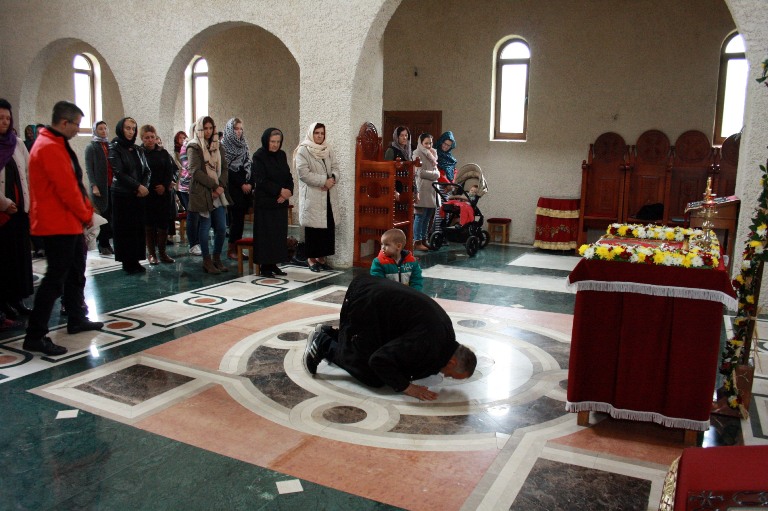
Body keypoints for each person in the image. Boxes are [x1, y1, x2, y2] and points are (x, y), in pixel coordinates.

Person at [303, 274, 477, 401]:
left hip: (375, 297)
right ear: (452, 362)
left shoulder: (446, 339)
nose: (446, 377)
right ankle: (323, 343)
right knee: (370, 373)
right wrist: (407, 387)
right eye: (452, 375)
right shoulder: (427, 343)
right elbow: (379, 360)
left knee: (382, 361)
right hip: (364, 300)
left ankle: (329, 333)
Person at [23, 101, 104, 356]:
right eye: (76, 124)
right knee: (54, 281)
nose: (77, 129)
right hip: (56, 224)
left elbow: (73, 184)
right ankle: (35, 335)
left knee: (75, 271)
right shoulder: (48, 146)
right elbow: (66, 189)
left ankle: (76, 316)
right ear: (64, 122)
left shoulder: (56, 142)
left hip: (67, 222)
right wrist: (86, 214)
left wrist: (84, 213)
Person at [0, 98, 34, 321]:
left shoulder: (17, 143)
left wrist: (30, 201)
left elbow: (29, 172)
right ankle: (3, 302)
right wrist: (3, 203)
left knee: (20, 257)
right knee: (4, 258)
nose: (4, 122)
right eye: (0, 118)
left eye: (7, 118)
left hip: (21, 211)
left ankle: (17, 299)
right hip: (3, 213)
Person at [188, 116, 231, 274]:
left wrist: (221, 186)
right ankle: (206, 261)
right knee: (205, 227)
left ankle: (216, 257)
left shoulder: (218, 145)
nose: (208, 131)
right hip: (202, 191)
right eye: (205, 128)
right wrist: (214, 186)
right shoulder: (194, 146)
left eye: (210, 128)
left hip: (218, 192)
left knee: (221, 227)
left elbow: (224, 168)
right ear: (200, 129)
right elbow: (195, 171)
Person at [294, 122, 338, 272]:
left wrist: (333, 179)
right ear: (311, 133)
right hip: (313, 195)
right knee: (313, 230)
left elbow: (335, 167)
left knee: (327, 228)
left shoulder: (327, 149)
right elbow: (303, 174)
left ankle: (321, 259)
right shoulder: (303, 150)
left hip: (327, 194)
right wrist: (323, 181)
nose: (319, 136)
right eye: (316, 133)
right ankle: (311, 260)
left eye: (322, 133)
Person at [110, 117, 150, 274]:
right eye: (127, 128)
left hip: (138, 195)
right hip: (122, 194)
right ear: (121, 129)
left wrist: (144, 187)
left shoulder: (138, 149)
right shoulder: (115, 148)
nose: (130, 131)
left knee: (137, 228)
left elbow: (147, 170)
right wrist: (138, 186)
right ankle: (127, 262)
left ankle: (136, 260)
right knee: (125, 229)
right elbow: (119, 172)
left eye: (133, 129)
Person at [252, 127, 293, 278]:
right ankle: (265, 266)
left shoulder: (282, 155)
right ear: (266, 141)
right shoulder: (259, 156)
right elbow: (261, 180)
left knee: (278, 235)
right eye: (272, 141)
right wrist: (280, 191)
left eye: (278, 142)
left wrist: (289, 191)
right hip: (266, 203)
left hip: (280, 202)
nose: (275, 145)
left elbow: (288, 176)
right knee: (266, 235)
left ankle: (274, 263)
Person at [140, 125, 175, 264]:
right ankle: (151, 254)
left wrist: (164, 185)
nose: (150, 140)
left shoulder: (163, 152)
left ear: (156, 138)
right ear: (142, 138)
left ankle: (162, 252)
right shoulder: (139, 153)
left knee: (163, 224)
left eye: (152, 137)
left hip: (162, 193)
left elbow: (169, 171)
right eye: (147, 137)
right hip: (147, 194)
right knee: (149, 224)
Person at [220, 117, 252, 260]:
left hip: (245, 186)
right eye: (235, 129)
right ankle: (231, 249)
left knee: (240, 219)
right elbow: (226, 170)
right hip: (232, 187)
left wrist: (249, 183)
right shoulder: (224, 146)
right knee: (235, 219)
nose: (238, 131)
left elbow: (248, 164)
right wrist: (241, 184)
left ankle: (238, 248)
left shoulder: (243, 144)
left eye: (240, 129)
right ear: (229, 130)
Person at [84, 120, 114, 255]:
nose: (103, 131)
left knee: (111, 216)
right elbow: (89, 169)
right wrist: (94, 186)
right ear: (95, 131)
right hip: (100, 187)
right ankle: (103, 244)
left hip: (112, 185)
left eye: (105, 128)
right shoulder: (91, 147)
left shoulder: (110, 145)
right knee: (103, 215)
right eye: (100, 129)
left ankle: (108, 243)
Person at [411, 133, 439, 251]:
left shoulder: (433, 153)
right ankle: (417, 241)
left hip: (431, 189)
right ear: (421, 143)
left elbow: (435, 170)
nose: (428, 145)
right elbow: (420, 172)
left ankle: (424, 239)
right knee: (420, 216)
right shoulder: (417, 153)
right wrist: (435, 175)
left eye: (430, 143)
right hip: (422, 189)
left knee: (427, 216)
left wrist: (435, 174)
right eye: (426, 143)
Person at [175, 125, 200, 255]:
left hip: (201, 185)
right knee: (193, 215)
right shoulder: (187, 145)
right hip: (187, 186)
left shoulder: (205, 145)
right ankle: (193, 244)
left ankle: (199, 241)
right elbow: (189, 166)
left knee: (200, 215)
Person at [384, 126, 412, 201]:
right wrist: (394, 190)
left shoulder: (408, 151)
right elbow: (387, 171)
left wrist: (416, 191)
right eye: (401, 135)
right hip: (396, 186)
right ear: (397, 137)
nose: (404, 138)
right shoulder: (391, 150)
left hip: (407, 186)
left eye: (406, 135)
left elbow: (411, 171)